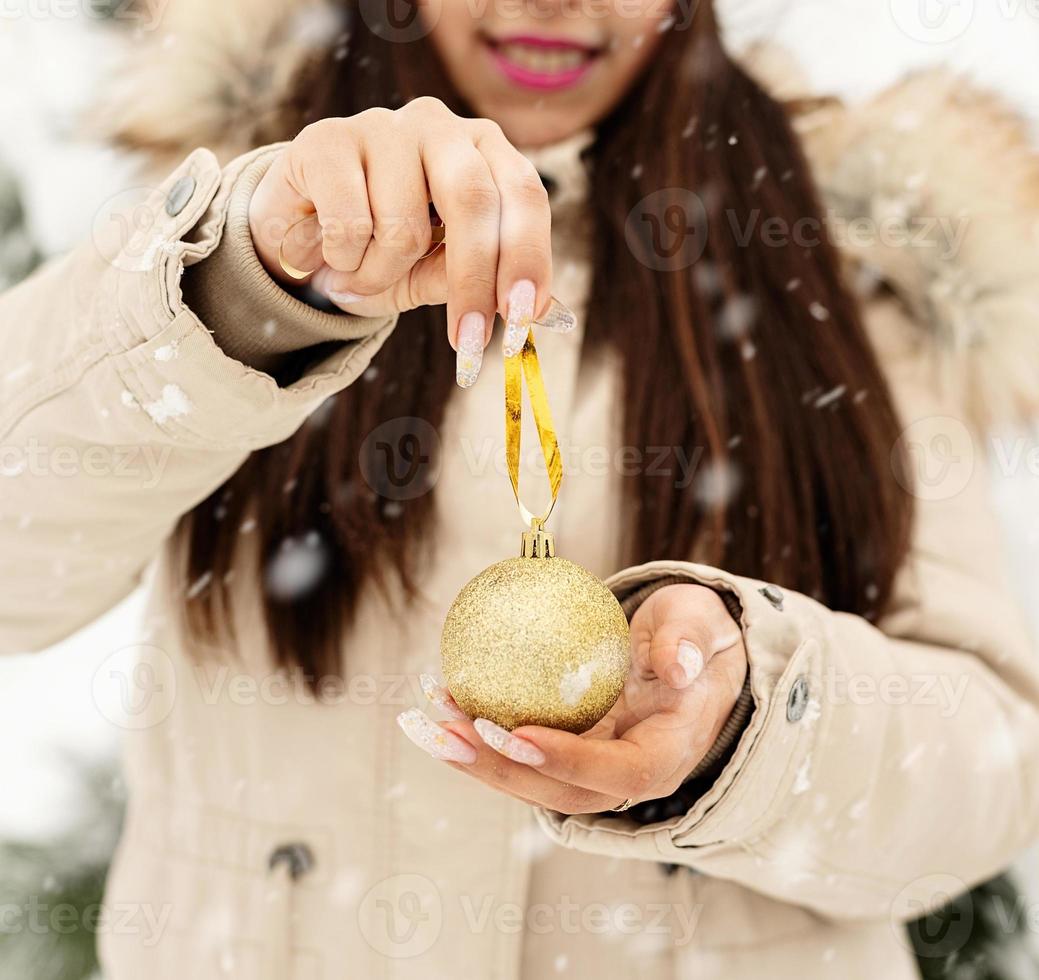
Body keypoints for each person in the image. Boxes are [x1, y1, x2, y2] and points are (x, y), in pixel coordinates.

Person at [2, 0, 1038, 976]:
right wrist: (248, 294)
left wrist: (753, 721)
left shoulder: (845, 266)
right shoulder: (222, 223)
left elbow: (987, 774)